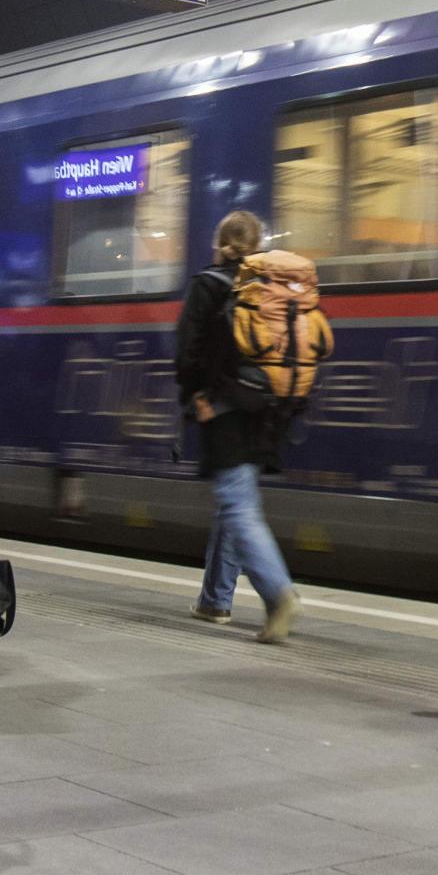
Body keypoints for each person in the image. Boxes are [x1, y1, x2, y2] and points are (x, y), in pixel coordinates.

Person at [173, 210, 302, 643]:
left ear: (219, 241)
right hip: (267, 412)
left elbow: (187, 352)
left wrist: (195, 398)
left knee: (238, 505)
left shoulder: (208, 284)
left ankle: (278, 592)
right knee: (237, 501)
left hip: (224, 407)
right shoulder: (271, 287)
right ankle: (215, 599)